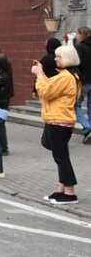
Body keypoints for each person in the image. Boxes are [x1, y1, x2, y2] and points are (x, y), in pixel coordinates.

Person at [33, 45, 82, 205]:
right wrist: (42, 74)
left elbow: (46, 92)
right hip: (58, 119)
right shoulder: (67, 75)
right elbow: (51, 87)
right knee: (58, 154)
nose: (55, 59)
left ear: (66, 58)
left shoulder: (66, 76)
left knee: (61, 157)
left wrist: (39, 75)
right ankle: (61, 189)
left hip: (59, 120)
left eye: (58, 57)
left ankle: (70, 193)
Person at [73, 27, 91, 143]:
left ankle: (87, 128)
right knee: (90, 108)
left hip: (83, 82)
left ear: (82, 35)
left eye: (78, 34)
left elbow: (76, 65)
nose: (76, 36)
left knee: (76, 105)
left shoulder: (79, 47)